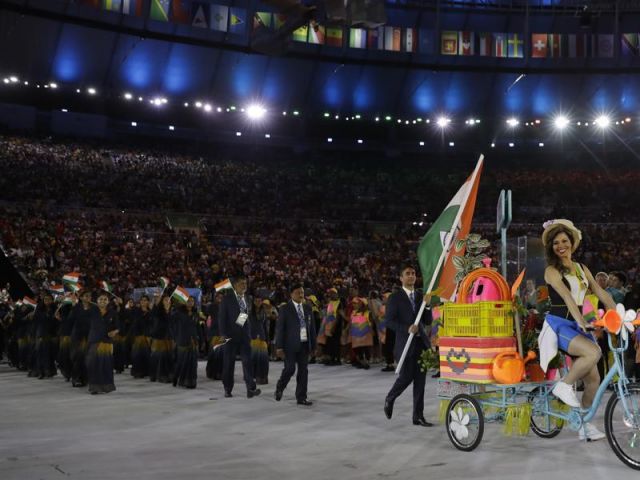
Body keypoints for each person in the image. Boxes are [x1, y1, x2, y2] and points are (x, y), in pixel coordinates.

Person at [537, 219, 616, 442]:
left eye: (564, 241)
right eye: (555, 243)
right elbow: (566, 295)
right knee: (593, 352)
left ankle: (584, 424)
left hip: (578, 325)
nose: (560, 245)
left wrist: (620, 314)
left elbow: (601, 293)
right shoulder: (551, 270)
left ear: (572, 242)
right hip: (559, 324)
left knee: (594, 380)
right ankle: (563, 386)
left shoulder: (582, 268)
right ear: (551, 247)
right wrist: (581, 320)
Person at [383, 263, 434, 427]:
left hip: (421, 345)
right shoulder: (395, 297)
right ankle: (390, 398)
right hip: (405, 344)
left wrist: (427, 305)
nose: (411, 276)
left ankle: (418, 416)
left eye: (413, 273)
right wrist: (406, 328)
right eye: (407, 273)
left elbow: (428, 320)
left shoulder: (421, 295)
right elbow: (389, 322)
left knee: (420, 381)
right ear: (401, 278)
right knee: (406, 377)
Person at [219, 275, 261, 398]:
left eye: (245, 283)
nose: (244, 286)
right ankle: (227, 388)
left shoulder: (248, 298)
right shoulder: (227, 299)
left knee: (247, 362)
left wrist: (250, 333)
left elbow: (246, 318)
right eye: (241, 283)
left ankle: (250, 389)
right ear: (235, 286)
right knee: (228, 363)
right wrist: (223, 334)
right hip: (230, 336)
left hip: (244, 336)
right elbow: (222, 318)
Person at [274, 283, 316, 406]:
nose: (301, 295)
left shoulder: (308, 308)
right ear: (291, 294)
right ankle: (280, 387)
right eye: (298, 292)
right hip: (289, 346)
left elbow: (312, 328)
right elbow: (280, 329)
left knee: (303, 371)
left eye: (302, 292)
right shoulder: (285, 308)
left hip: (304, 345)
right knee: (290, 369)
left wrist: (313, 346)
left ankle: (301, 397)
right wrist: (279, 347)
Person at [86, 293, 119, 394]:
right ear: (97, 301)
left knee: (106, 365)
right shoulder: (91, 311)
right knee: (93, 364)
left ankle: (106, 387)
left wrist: (115, 331)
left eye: (105, 299)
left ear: (108, 302)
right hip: (94, 341)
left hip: (107, 342)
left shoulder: (113, 313)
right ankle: (94, 387)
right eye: (101, 299)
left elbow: (118, 326)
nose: (103, 301)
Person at [172, 296, 199, 389]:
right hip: (182, 340)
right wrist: (175, 338)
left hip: (193, 341)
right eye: (188, 301)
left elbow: (197, 327)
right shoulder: (179, 313)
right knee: (180, 362)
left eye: (192, 301)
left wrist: (202, 340)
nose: (190, 302)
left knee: (193, 363)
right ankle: (176, 378)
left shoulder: (196, 313)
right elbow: (172, 320)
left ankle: (191, 382)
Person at [149, 295, 174, 383]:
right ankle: (156, 375)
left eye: (169, 300)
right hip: (159, 338)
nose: (168, 302)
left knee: (168, 357)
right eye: (166, 300)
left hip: (169, 338)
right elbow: (152, 315)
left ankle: (167, 375)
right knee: (157, 358)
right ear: (162, 302)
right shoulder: (157, 311)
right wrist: (156, 303)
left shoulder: (172, 312)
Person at [32, 293, 58, 379]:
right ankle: (41, 372)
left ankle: (49, 371)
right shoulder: (39, 308)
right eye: (45, 299)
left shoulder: (55, 309)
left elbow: (57, 322)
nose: (47, 301)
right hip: (41, 334)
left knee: (50, 354)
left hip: (52, 334)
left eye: (49, 299)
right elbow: (36, 320)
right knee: (40, 353)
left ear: (52, 300)